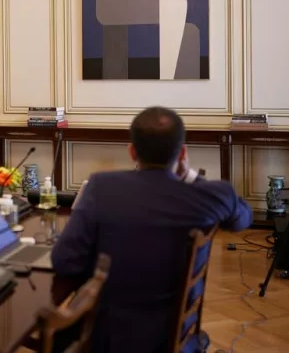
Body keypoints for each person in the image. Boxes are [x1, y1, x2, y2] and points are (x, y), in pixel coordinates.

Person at [51, 106, 253, 353]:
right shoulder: (214, 195)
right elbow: (242, 220)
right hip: (178, 336)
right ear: (182, 153)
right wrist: (190, 177)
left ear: (132, 152)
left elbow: (64, 261)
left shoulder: (100, 187)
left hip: (111, 338)